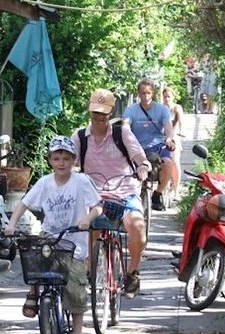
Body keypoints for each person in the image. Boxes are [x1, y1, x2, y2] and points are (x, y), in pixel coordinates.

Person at [4, 136, 102, 334]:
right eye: (56, 158)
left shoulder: (82, 182)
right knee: (36, 259)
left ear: (73, 161)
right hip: (51, 235)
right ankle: (33, 292)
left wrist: (87, 218)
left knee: (76, 287)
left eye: (66, 159)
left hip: (74, 240)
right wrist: (11, 224)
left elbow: (98, 207)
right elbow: (24, 203)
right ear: (50, 160)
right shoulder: (45, 182)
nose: (61, 163)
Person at [71, 88, 151, 296]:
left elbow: (140, 158)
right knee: (85, 227)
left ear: (110, 112)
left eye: (103, 112)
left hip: (124, 192)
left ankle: (132, 272)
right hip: (94, 194)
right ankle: (88, 269)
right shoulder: (80, 137)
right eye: (95, 112)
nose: (99, 117)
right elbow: (69, 162)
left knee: (137, 227)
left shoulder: (121, 133)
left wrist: (142, 167)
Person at [123, 78, 178, 211]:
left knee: (168, 163)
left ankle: (157, 194)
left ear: (152, 93)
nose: (145, 96)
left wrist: (169, 139)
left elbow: (168, 127)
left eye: (148, 93)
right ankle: (125, 196)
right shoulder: (131, 110)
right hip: (137, 147)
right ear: (138, 94)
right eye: (142, 93)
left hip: (157, 146)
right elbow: (125, 126)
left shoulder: (162, 110)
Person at [161, 85, 184, 198]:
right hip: (162, 138)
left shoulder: (176, 108)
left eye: (169, 97)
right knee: (163, 162)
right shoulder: (160, 109)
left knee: (175, 162)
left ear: (172, 97)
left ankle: (176, 190)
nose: (166, 99)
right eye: (165, 97)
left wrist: (180, 132)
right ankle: (164, 188)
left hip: (174, 137)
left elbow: (180, 122)